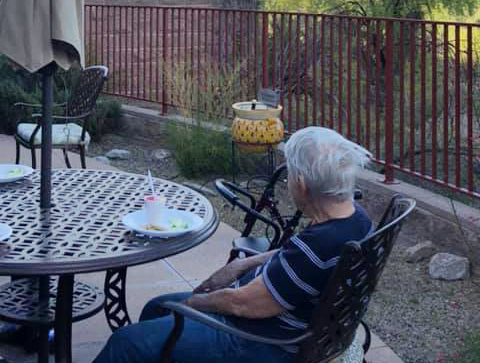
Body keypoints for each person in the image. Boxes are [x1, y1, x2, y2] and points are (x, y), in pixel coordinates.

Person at [92, 126, 373, 363]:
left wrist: (193, 303)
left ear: (301, 184)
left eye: (289, 176)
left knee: (126, 343)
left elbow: (242, 304)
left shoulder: (318, 246)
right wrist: (244, 264)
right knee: (157, 306)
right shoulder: (355, 220)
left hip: (260, 340)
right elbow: (296, 258)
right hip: (287, 325)